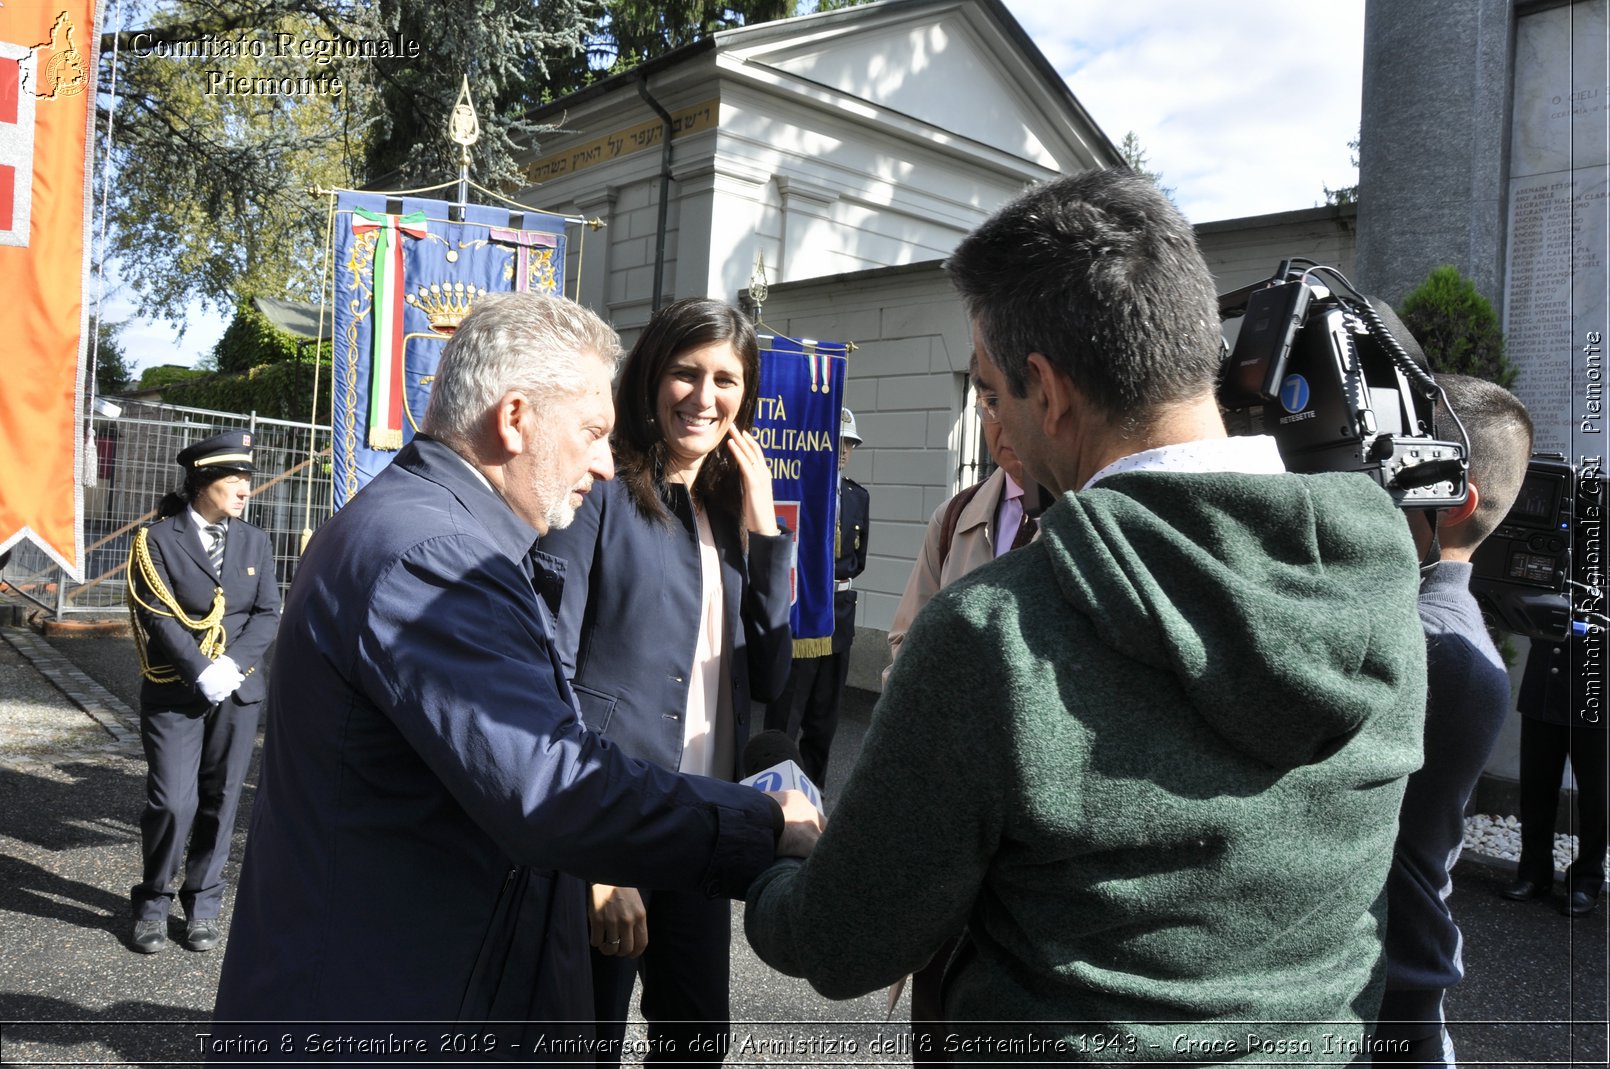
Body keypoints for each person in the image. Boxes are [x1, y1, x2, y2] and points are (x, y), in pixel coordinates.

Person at [742, 168, 1428, 1058]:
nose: (996, 423)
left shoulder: (998, 632)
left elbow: (839, 943)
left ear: (1049, 389)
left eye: (989, 392)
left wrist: (782, 858)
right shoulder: (1380, 578)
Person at [211, 293, 821, 1053]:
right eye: (593, 433)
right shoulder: (439, 558)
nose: (603, 460)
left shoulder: (434, 532)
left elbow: (761, 669)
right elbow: (546, 780)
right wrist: (760, 826)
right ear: (514, 418)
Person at [538, 297, 794, 1065]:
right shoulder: (602, 489)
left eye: (725, 379)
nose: (705, 396)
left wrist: (765, 529)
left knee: (696, 1040)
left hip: (701, 825)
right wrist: (595, 864)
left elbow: (773, 674)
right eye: (686, 373)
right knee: (586, 1043)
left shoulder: (728, 506)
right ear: (651, 376)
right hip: (613, 827)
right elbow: (550, 671)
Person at [1370, 374, 1534, 1065]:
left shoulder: (1433, 644)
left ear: (1454, 496)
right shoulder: (1423, 620)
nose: (1372, 465)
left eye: (1396, 453)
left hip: (1389, 1009)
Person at [881, 361, 1038, 1062]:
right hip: (944, 840)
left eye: (1011, 400)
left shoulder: (1087, 524)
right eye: (985, 401)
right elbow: (903, 647)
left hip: (1027, 858)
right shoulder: (956, 518)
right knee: (936, 1022)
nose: (998, 422)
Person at [124, 429, 280, 955]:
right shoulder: (157, 541)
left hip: (236, 692)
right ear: (203, 482)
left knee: (221, 800)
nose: (244, 491)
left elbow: (266, 613)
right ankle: (151, 903)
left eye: (246, 482)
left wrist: (232, 666)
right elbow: (157, 615)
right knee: (173, 802)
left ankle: (203, 906)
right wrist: (200, 669)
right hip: (175, 691)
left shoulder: (255, 541)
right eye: (235, 481)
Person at [885, 358, 1036, 678]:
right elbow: (907, 640)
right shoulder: (953, 518)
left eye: (1024, 397)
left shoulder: (1090, 521)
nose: (1007, 422)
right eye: (992, 402)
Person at [764, 407, 870, 785]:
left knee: (824, 718)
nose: (844, 450)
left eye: (850, 444)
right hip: (804, 611)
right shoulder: (800, 490)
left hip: (839, 612)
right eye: (839, 442)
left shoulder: (858, 496)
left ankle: (812, 793)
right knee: (787, 716)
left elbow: (857, 560)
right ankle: (770, 791)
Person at [1504, 630, 1606, 916]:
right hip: (1544, 687)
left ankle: (1586, 882)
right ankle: (1533, 873)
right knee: (1536, 788)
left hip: (1597, 695)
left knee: (1596, 798)